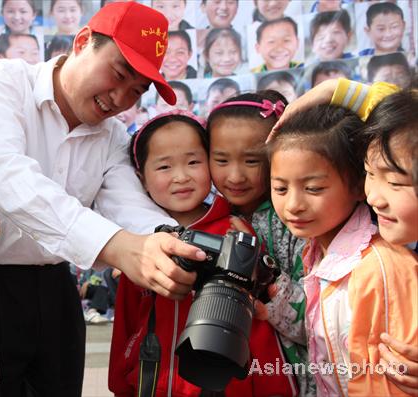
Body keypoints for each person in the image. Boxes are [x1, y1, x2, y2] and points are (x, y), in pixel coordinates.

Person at [0, 3, 207, 396]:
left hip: (56, 289)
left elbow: (127, 204)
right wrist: (119, 246)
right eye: (118, 74)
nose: (119, 97)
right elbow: (6, 176)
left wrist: (170, 242)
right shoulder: (4, 81)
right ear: (83, 41)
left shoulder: (113, 138)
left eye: (136, 91)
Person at [110, 108, 297, 396]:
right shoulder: (138, 243)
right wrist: (121, 385)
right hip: (152, 382)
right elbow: (126, 322)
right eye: (164, 167)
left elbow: (258, 329)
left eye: (193, 162)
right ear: (142, 177)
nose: (181, 177)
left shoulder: (237, 233)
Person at [270, 76, 418, 396]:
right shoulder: (315, 252)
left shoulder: (380, 266)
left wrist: (334, 89)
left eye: (395, 182)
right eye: (280, 188)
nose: (294, 204)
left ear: (351, 184)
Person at [208, 91, 313, 396]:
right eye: (221, 160)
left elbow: (314, 321)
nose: (235, 175)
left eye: (252, 160)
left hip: (290, 377)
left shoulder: (295, 221)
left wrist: (259, 269)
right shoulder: (209, 218)